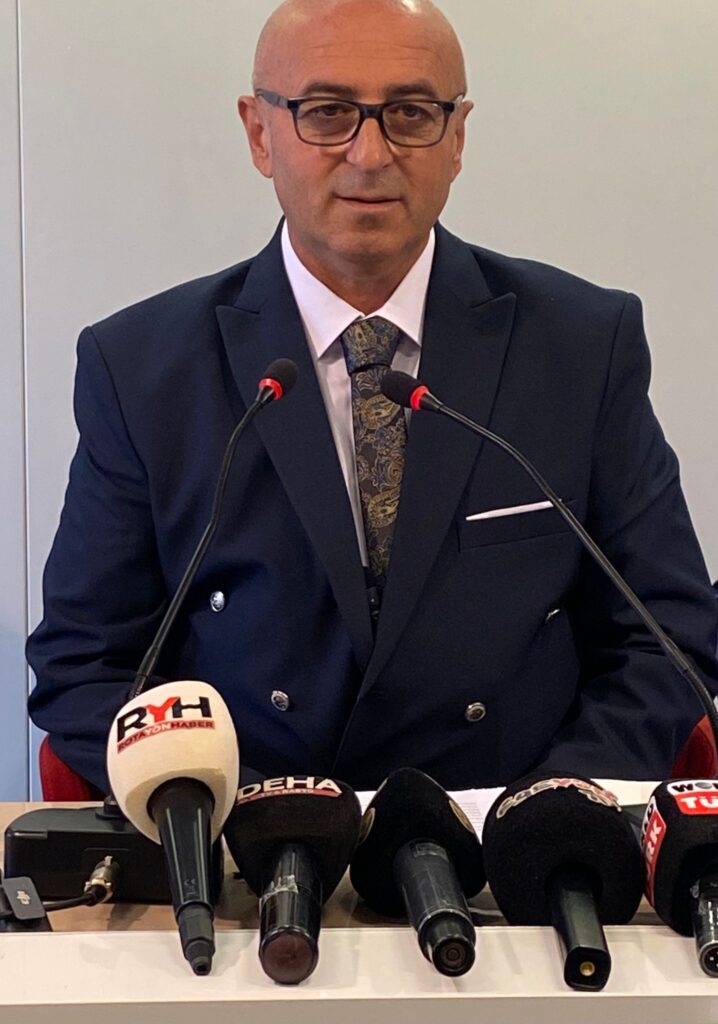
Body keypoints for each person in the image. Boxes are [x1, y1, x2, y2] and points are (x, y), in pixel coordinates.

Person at [27, 0, 718, 792]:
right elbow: (86, 666)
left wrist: (554, 812)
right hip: (246, 838)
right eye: (327, 112)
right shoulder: (143, 368)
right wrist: (237, 814)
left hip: (514, 835)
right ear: (260, 133)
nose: (370, 153)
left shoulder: (583, 346)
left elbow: (667, 635)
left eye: (411, 113)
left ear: (457, 137)